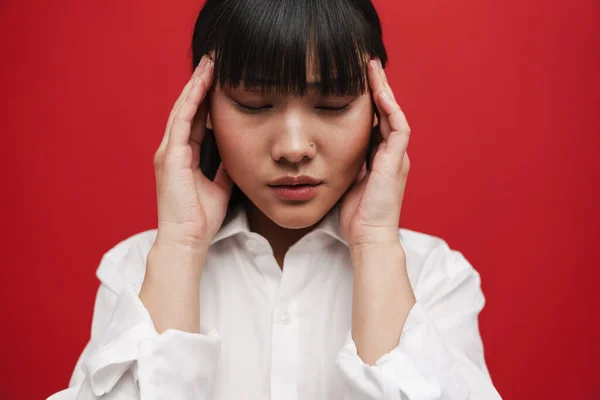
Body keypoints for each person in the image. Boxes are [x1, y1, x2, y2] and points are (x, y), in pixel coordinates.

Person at [48, 0, 502, 399]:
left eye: (333, 103)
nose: (293, 147)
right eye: (252, 102)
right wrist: (182, 247)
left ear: (378, 110)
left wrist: (376, 245)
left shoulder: (436, 280)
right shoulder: (134, 272)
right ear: (203, 108)